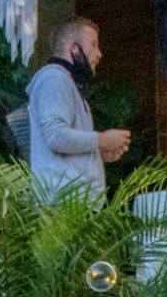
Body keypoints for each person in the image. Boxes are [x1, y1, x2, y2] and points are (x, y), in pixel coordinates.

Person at [25, 15, 130, 196]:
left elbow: (64, 147)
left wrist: (98, 155)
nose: (99, 54)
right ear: (74, 48)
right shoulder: (54, 79)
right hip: (65, 207)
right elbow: (55, 136)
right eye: (93, 44)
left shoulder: (64, 82)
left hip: (73, 207)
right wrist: (102, 140)